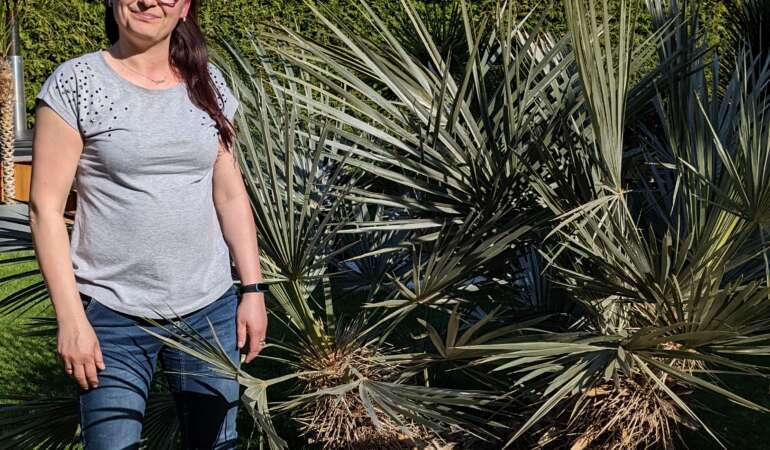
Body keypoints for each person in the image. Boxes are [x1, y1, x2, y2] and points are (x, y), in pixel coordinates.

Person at [29, 0, 268, 448]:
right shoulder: (76, 82)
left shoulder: (208, 82)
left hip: (209, 309)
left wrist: (252, 290)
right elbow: (45, 209)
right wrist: (71, 319)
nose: (148, 1)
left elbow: (230, 194)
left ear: (184, 8)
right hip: (111, 315)